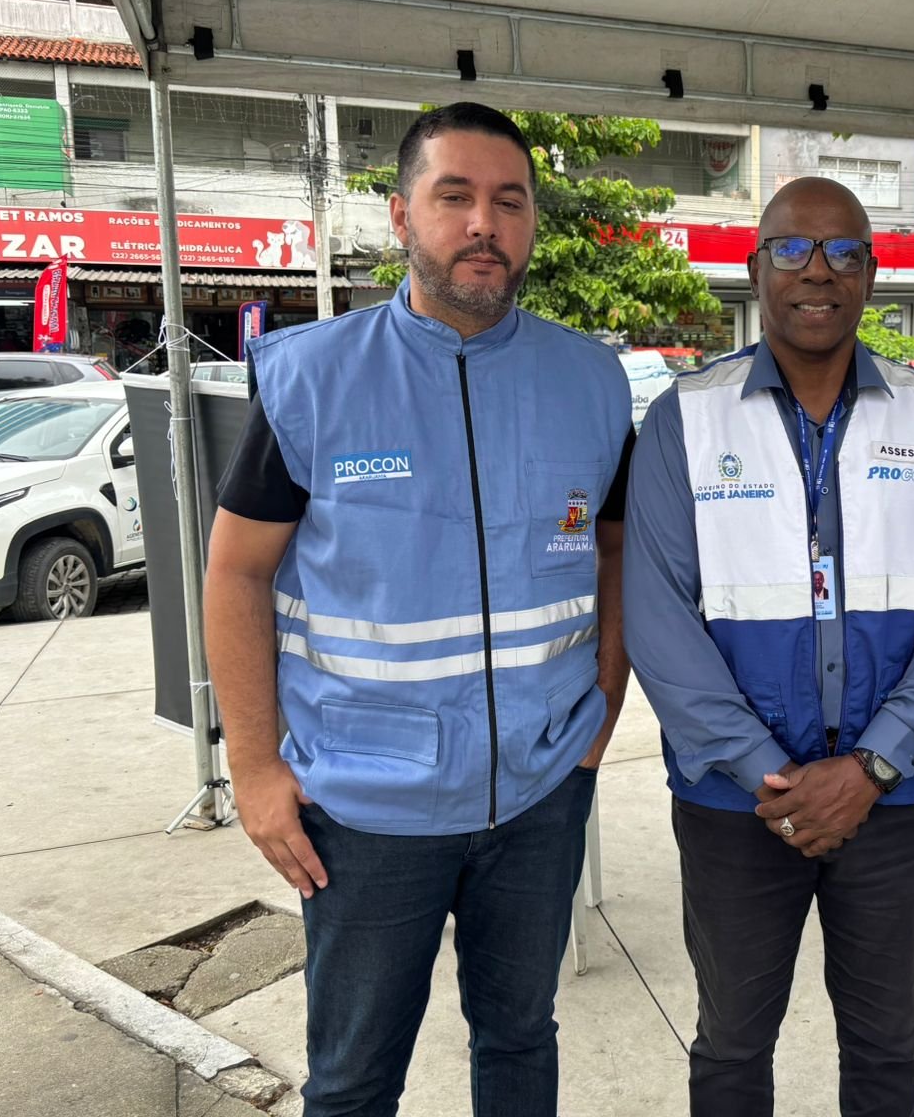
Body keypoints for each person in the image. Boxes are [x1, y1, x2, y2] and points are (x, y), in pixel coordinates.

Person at [203, 103, 634, 1117]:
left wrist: (601, 715)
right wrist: (254, 769)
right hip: (363, 807)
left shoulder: (591, 380)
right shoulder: (313, 378)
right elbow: (235, 574)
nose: (483, 224)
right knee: (354, 1080)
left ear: (532, 224)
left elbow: (616, 552)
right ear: (401, 216)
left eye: (509, 202)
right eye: (455, 197)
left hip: (540, 792)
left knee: (520, 1040)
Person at [624, 177, 914, 1116]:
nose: (817, 271)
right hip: (736, 805)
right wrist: (768, 770)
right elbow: (658, 620)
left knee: (887, 1046)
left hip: (893, 800)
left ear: (871, 274)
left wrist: (871, 767)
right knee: (731, 1046)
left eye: (843, 251)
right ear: (757, 270)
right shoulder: (686, 418)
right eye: (792, 249)